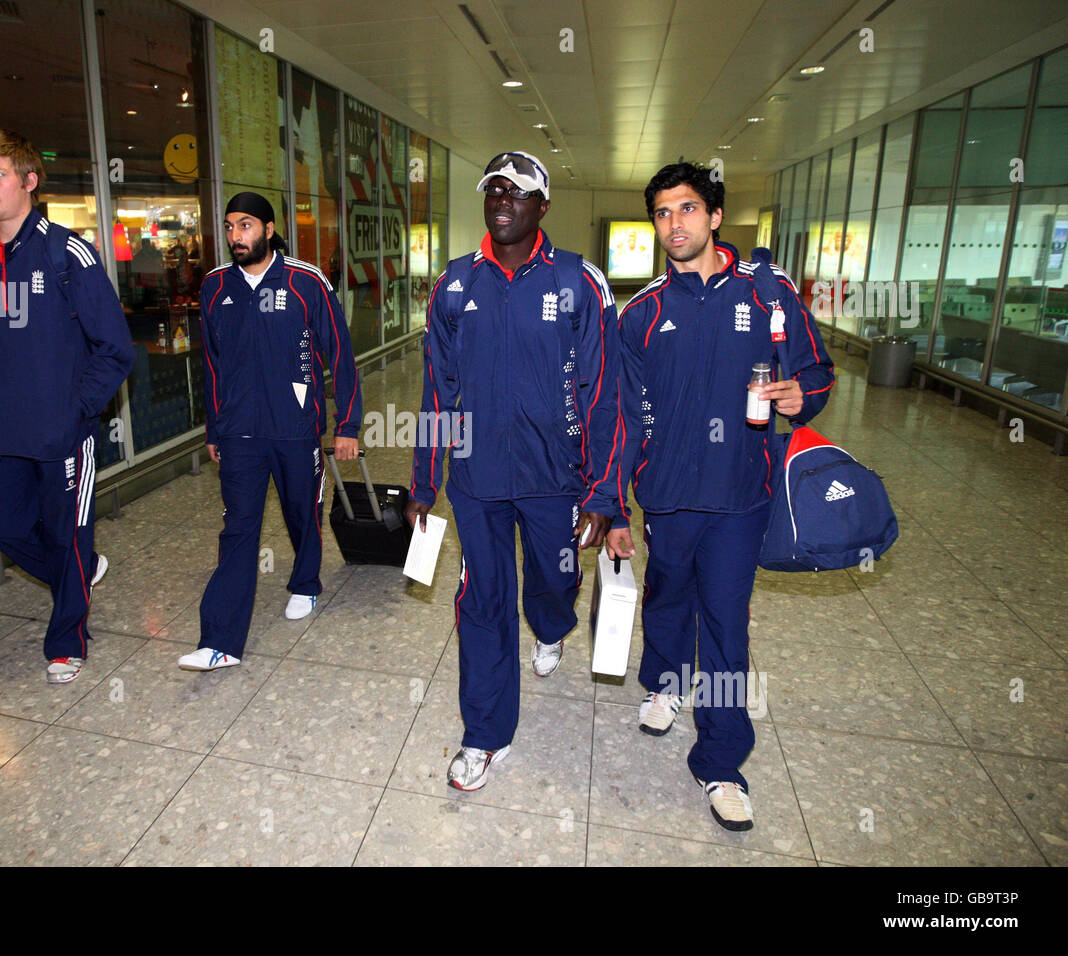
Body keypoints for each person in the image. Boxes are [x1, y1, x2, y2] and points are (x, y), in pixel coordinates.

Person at [606, 162, 835, 831]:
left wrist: (804, 395)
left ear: (713, 216)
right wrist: (614, 504)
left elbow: (816, 371)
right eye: (661, 213)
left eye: (686, 209)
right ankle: (665, 683)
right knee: (667, 596)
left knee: (727, 629)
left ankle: (722, 763)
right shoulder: (641, 314)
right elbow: (621, 416)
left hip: (742, 495)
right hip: (669, 496)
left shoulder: (768, 296)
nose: (673, 224)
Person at [405, 151, 621, 791]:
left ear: (543, 206)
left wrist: (605, 491)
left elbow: (604, 390)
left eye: (518, 191)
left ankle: (552, 626)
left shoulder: (581, 283)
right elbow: (437, 393)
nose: (502, 199)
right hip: (477, 480)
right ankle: (484, 734)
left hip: (558, 477)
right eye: (494, 190)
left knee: (552, 584)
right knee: (482, 599)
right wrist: (424, 482)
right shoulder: (453, 285)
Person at [0, 129, 134, 685]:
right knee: (3, 526)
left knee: (69, 532)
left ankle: (67, 640)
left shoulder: (65, 252)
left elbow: (115, 348)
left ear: (28, 181)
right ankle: (78, 573)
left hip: (63, 433)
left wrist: (79, 411)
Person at [178, 192, 361, 672]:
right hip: (239, 432)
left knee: (303, 513)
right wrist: (214, 427)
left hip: (295, 427)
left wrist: (348, 424)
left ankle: (305, 583)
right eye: (229, 228)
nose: (236, 237)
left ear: (268, 228)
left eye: (245, 226)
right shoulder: (216, 287)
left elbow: (339, 352)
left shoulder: (306, 281)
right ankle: (219, 640)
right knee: (238, 529)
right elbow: (213, 365)